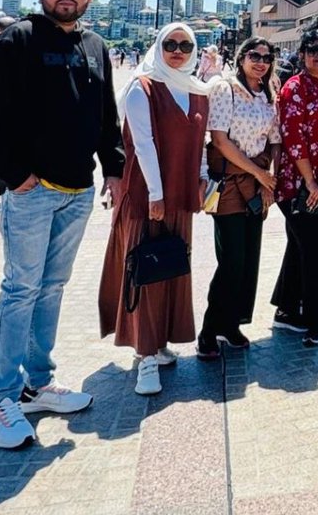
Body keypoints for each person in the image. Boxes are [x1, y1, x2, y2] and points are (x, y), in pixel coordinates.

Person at [0, 0, 123, 450]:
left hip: (78, 190)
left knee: (52, 288)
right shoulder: (16, 40)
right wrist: (13, 175)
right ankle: (1, 400)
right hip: (33, 192)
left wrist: (114, 171)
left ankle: (37, 383)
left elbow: (106, 117)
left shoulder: (95, 46)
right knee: (20, 289)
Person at [98, 23, 210, 396]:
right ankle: (145, 357)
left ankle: (160, 342)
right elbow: (142, 144)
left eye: (185, 45)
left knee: (172, 268)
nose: (177, 51)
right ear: (158, 47)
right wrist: (156, 195)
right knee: (145, 271)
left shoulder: (196, 91)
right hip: (149, 195)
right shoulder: (142, 87)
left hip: (181, 194)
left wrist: (203, 177)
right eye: (170, 44)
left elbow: (202, 143)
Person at [197, 38, 279, 359]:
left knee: (248, 261)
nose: (261, 61)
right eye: (254, 56)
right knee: (230, 261)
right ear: (242, 57)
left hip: (257, 184)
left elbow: (274, 141)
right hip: (231, 183)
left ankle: (231, 324)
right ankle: (208, 329)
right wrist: (259, 174)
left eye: (266, 56)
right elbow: (219, 140)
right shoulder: (225, 89)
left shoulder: (269, 94)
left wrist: (267, 180)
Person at [271, 26, 318, 347]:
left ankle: (287, 309)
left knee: (302, 246)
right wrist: (311, 181)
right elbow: (293, 138)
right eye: (313, 50)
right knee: (315, 252)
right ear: (301, 54)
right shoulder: (294, 88)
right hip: (301, 184)